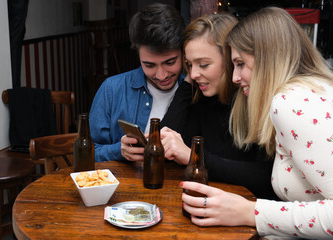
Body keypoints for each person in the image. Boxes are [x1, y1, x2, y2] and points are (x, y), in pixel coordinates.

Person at [180, 7, 333, 239]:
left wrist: (251, 212)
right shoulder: (314, 89)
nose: (234, 77)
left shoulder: (290, 102)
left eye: (240, 64)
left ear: (268, 58)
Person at [160, 13, 277, 200]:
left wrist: (195, 158)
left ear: (232, 61)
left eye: (204, 64)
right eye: (189, 65)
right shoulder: (201, 96)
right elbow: (165, 146)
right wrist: (187, 83)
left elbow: (266, 178)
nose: (194, 73)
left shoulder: (255, 102)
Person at [89, 3, 185, 162]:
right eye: (149, 65)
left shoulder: (195, 92)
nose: (161, 75)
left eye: (170, 62)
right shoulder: (112, 90)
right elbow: (88, 152)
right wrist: (118, 150)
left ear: (183, 52)